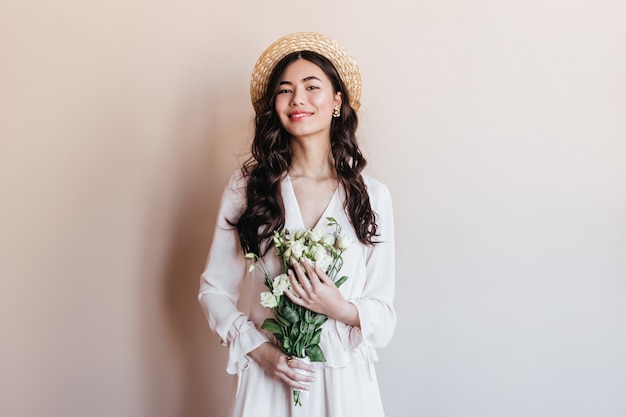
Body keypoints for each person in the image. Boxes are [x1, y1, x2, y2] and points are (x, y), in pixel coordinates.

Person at [198, 32, 396, 417]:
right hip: (269, 384)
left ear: (337, 101)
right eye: (285, 91)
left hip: (346, 388)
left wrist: (338, 307)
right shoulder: (248, 188)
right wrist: (260, 351)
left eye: (311, 87)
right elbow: (214, 291)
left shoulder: (372, 197)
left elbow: (384, 320)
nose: (298, 99)